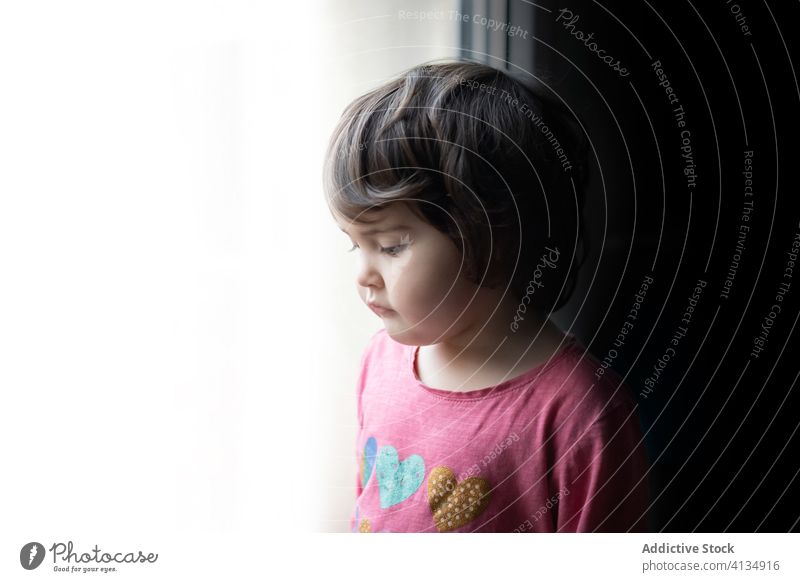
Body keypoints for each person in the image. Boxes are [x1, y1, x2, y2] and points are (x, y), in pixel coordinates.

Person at [323, 59, 650, 532]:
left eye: (391, 246)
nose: (364, 275)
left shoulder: (578, 416)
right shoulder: (380, 362)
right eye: (357, 244)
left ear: (494, 235)